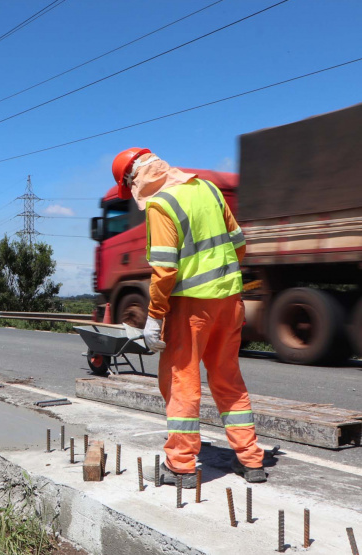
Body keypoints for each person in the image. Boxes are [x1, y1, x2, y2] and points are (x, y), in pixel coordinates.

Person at [112, 148, 265, 487]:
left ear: (134, 180)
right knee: (228, 379)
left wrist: (154, 317)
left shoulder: (161, 204)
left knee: (181, 381)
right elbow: (239, 244)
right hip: (230, 300)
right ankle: (252, 460)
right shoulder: (208, 188)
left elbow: (165, 271)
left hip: (191, 309)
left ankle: (180, 465)